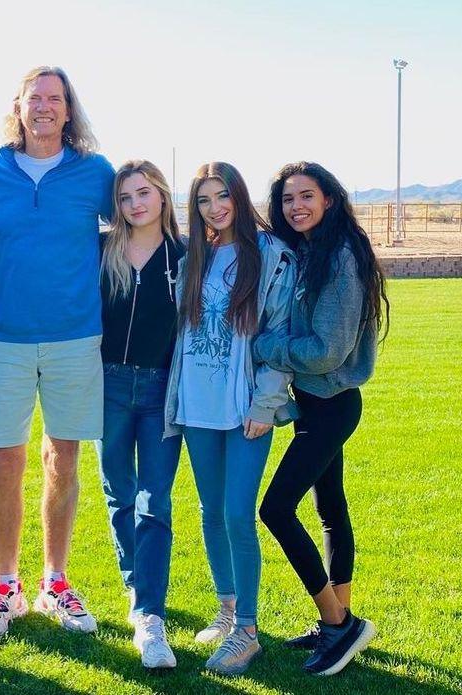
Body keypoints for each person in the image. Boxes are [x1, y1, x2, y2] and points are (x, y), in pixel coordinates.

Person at [0, 66, 115, 640]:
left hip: (76, 337)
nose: (45, 107)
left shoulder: (94, 173)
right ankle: (6, 586)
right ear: (19, 108)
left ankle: (56, 581)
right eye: (35, 99)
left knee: (64, 459)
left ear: (68, 110)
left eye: (55, 99)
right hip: (3, 338)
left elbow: (140, 219)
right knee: (4, 461)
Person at [254, 161, 390, 677]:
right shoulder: (315, 252)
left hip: (331, 404)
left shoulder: (340, 258)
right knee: (330, 508)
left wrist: (265, 344)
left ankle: (339, 625)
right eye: (288, 199)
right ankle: (342, 615)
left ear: (328, 199)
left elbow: (326, 350)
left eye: (306, 196)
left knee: (276, 509)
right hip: (319, 402)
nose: (297, 207)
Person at [163, 162, 296, 676]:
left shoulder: (269, 257)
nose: (214, 207)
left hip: (244, 408)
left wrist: (265, 405)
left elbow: (279, 337)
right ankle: (226, 610)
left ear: (239, 197)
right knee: (210, 511)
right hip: (197, 403)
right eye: (203, 200)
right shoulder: (193, 257)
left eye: (223, 196)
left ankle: (248, 629)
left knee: (239, 514)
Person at [95, 160, 185, 668]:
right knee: (119, 494)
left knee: (155, 500)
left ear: (162, 195)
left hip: (160, 391)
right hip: (106, 385)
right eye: (126, 197)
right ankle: (138, 586)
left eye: (143, 193)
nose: (135, 205)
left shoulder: (184, 256)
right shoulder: (102, 251)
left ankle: (150, 616)